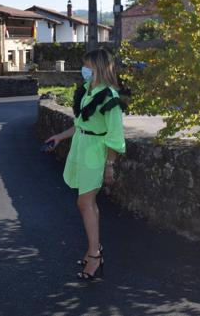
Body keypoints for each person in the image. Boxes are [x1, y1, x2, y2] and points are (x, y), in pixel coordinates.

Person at [45, 48, 126, 280]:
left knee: (84, 202)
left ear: (99, 68)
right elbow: (81, 124)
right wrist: (60, 136)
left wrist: (110, 164)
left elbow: (115, 135)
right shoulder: (88, 91)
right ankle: (95, 249)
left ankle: (95, 254)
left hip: (95, 153)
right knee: (87, 203)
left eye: (88, 66)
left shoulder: (110, 96)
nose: (85, 70)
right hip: (81, 147)